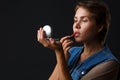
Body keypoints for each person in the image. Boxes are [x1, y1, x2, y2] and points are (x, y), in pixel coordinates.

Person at [37, 0, 120, 80]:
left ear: (100, 27)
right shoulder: (71, 52)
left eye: (84, 20)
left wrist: (59, 53)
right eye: (75, 20)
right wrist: (63, 59)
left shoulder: (110, 64)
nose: (76, 25)